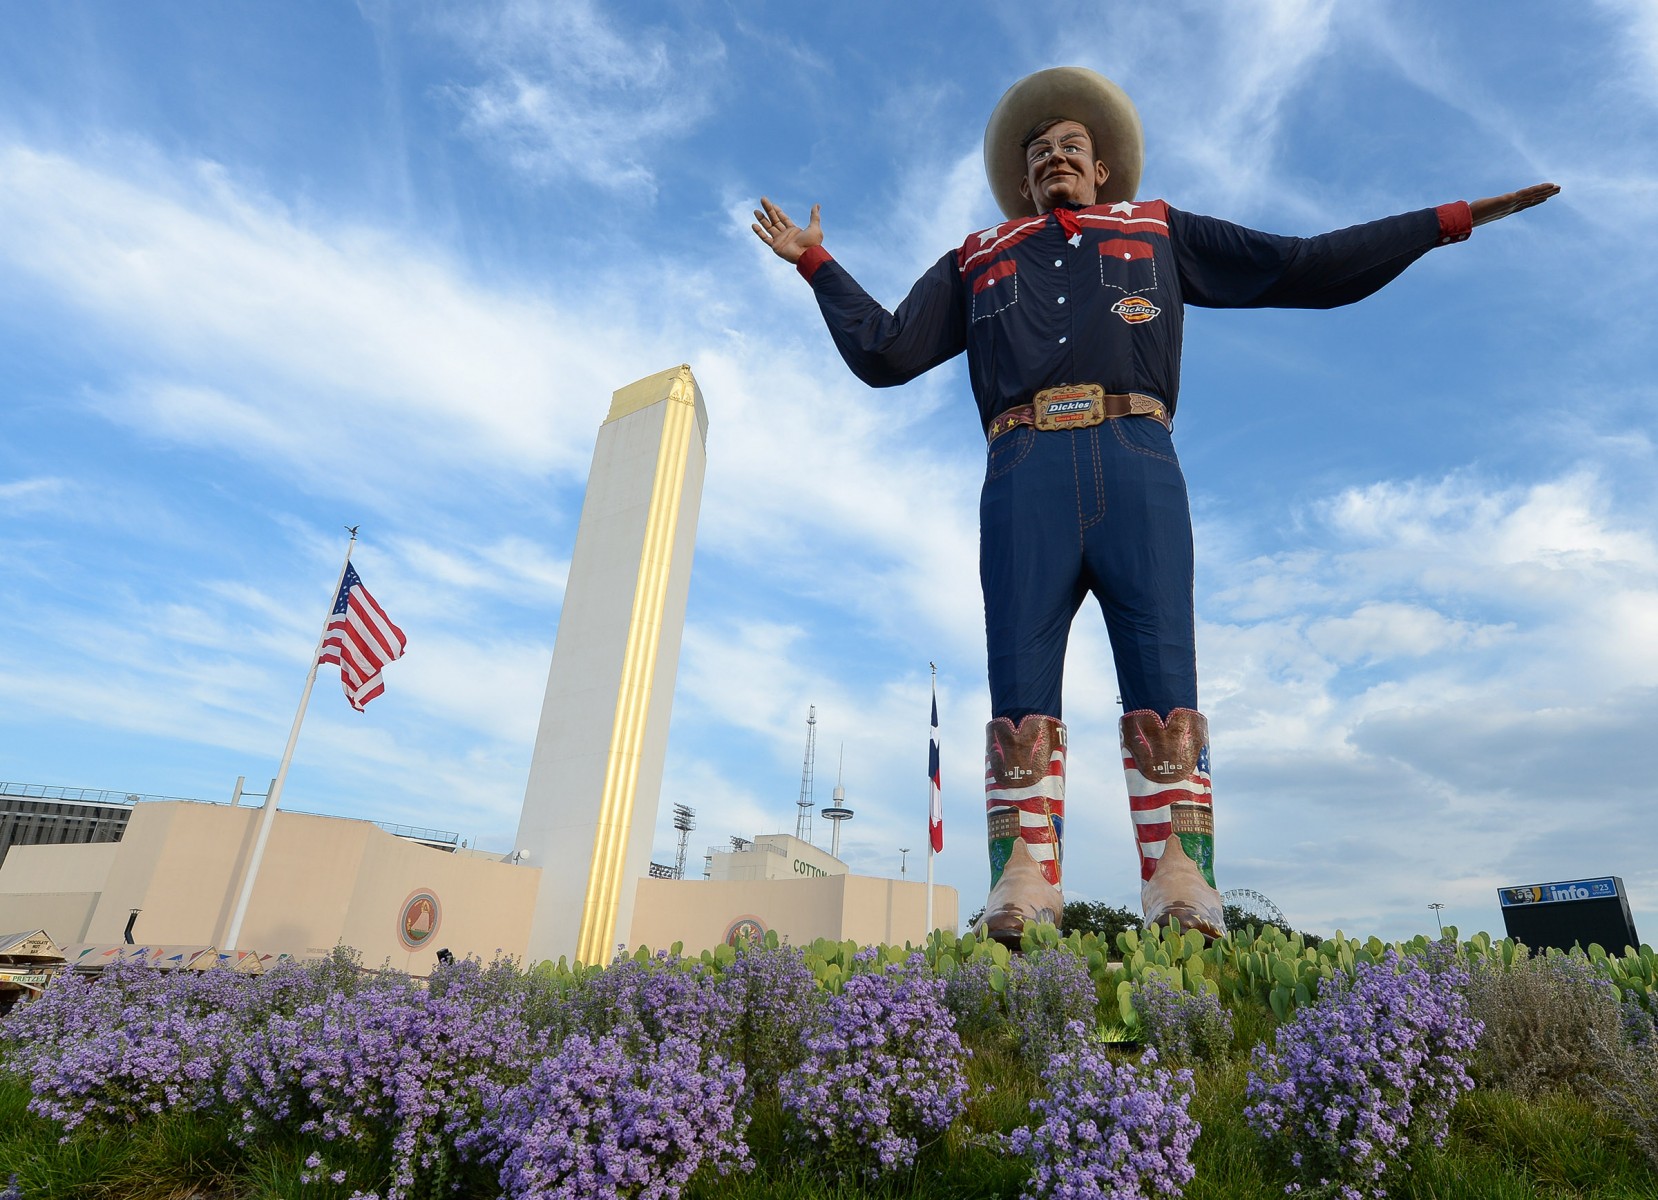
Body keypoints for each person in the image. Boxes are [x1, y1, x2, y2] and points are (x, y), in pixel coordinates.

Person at [752, 67, 1557, 946]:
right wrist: (818, 264)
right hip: (1021, 465)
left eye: (1073, 147)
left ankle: (1182, 877)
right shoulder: (977, 258)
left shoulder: (1158, 232)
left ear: (1103, 171)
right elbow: (887, 351)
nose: (1057, 156)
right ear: (1023, 180)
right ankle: (1023, 876)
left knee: (1163, 666)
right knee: (1018, 676)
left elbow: (1302, 265)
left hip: (1137, 452)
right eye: (1040, 151)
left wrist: (1445, 223)